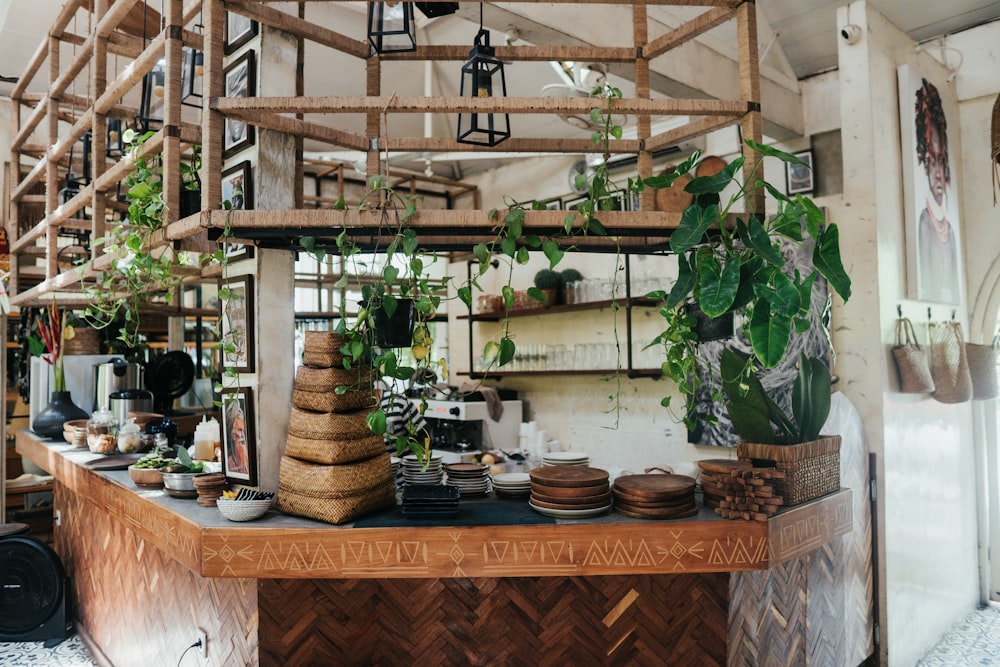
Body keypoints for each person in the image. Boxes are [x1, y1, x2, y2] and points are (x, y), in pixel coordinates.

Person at [914, 78, 960, 304]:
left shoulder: (950, 231)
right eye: (933, 162)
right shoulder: (924, 223)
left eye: (942, 162)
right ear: (924, 163)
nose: (939, 173)